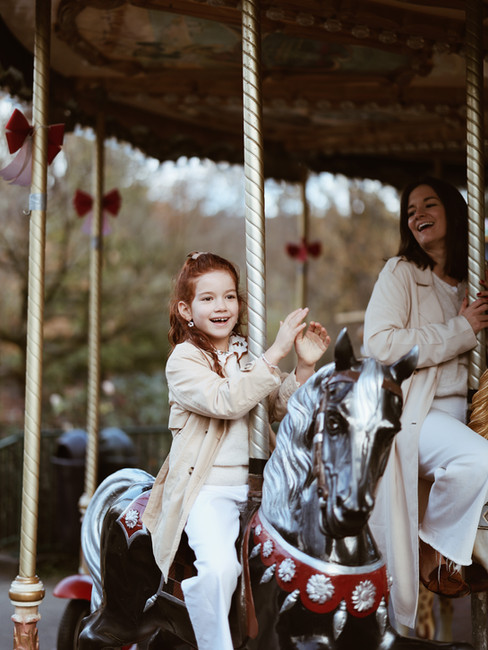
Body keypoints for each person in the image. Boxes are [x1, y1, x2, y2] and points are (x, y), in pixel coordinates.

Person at [142, 251, 330, 650]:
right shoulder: (184, 360)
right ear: (185, 309)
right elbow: (225, 400)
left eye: (229, 296)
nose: (221, 306)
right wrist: (274, 353)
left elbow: (278, 408)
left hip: (267, 487)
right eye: (207, 298)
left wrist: (302, 368)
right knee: (219, 569)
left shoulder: (246, 352)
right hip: (209, 488)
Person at [363, 176, 488, 630]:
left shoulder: (471, 283)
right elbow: (381, 345)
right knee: (479, 461)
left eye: (429, 204)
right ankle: (433, 550)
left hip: (462, 414)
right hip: (420, 410)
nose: (417, 214)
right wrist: (461, 330)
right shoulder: (402, 273)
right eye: (411, 209)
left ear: (454, 213)